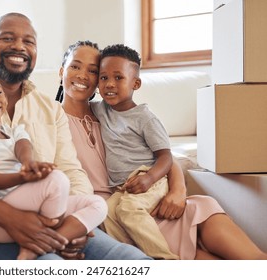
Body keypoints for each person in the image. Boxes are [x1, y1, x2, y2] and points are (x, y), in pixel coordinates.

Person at [0, 13, 151, 260]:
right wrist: (13, 219)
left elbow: (71, 169)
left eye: (29, 41)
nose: (19, 47)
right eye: (8, 38)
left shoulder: (51, 109)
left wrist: (77, 227)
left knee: (134, 260)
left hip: (55, 219)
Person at [56, 40, 267, 260]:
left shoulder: (108, 112)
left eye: (93, 70)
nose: (83, 75)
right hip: (118, 219)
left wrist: (178, 191)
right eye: (75, 66)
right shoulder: (49, 121)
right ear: (62, 71)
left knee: (249, 255)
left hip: (155, 200)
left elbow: (164, 156)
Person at [0, 69, 107, 260]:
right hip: (0, 220)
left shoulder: (13, 131)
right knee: (56, 179)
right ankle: (49, 240)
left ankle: (46, 245)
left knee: (97, 205)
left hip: (33, 210)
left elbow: (23, 146)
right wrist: (22, 176)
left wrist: (30, 164)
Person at [89, 44, 177, 259]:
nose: (109, 84)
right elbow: (73, 102)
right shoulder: (100, 109)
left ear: (135, 83)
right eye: (103, 77)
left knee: (128, 210)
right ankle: (135, 258)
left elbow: (166, 156)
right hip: (122, 186)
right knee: (106, 213)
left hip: (148, 178)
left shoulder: (144, 117)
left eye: (118, 78)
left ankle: (165, 259)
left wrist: (149, 178)